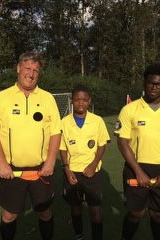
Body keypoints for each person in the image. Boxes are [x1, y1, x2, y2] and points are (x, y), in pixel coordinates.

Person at [0, 52, 61, 240]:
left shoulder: (48, 98)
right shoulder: (1, 98)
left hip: (41, 170)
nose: (31, 73)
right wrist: (2, 164)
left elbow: (56, 132)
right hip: (12, 170)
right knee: (9, 215)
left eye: (35, 70)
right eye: (27, 68)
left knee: (45, 213)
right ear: (18, 69)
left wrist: (50, 161)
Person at [114, 63, 160, 240]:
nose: (155, 86)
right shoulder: (129, 109)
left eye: (159, 84)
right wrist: (138, 172)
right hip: (135, 168)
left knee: (159, 214)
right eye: (151, 83)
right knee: (135, 214)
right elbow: (122, 141)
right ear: (144, 83)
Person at [59, 84, 110, 240]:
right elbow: (63, 148)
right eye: (77, 99)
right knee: (76, 207)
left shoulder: (97, 121)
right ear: (71, 101)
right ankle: (79, 234)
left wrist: (94, 165)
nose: (81, 103)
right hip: (73, 172)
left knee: (95, 210)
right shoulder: (64, 122)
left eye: (84, 100)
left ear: (90, 101)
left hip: (92, 172)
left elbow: (102, 144)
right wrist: (67, 169)